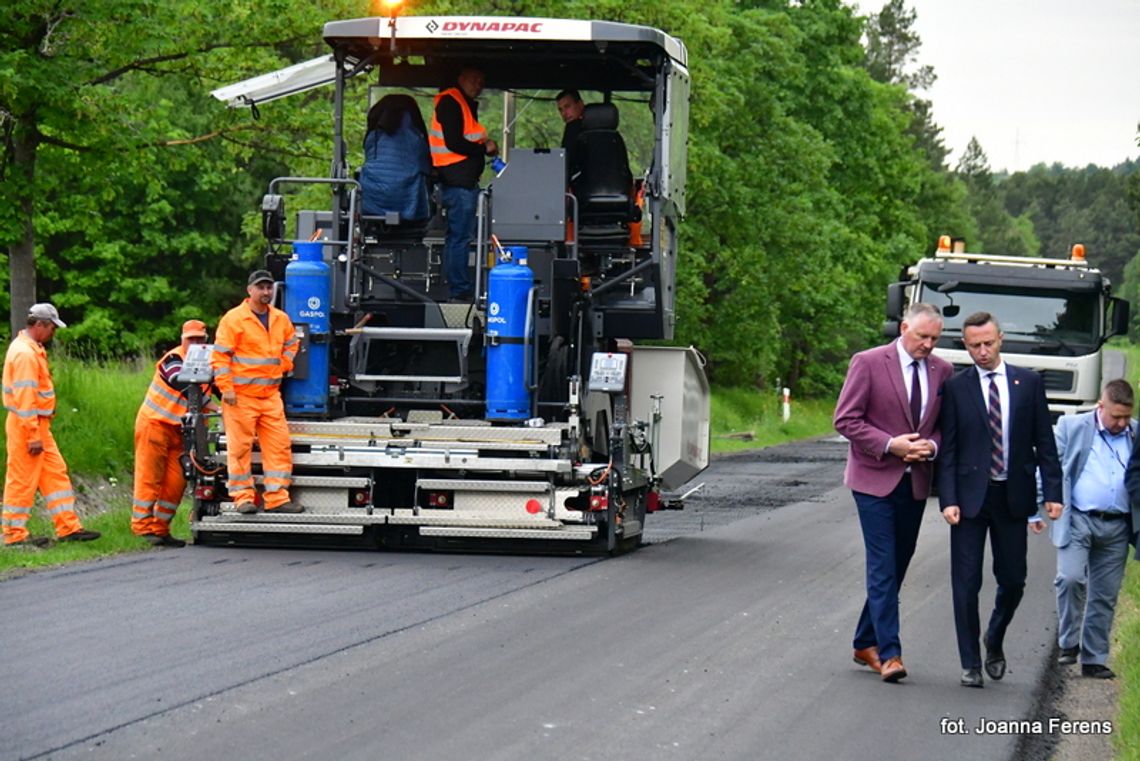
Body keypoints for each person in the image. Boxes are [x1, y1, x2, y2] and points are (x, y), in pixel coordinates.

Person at [938, 311, 1062, 688]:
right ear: (966, 344)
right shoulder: (957, 387)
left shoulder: (1028, 383)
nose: (982, 351)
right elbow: (950, 449)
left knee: (1013, 579)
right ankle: (970, 662)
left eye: (988, 343)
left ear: (1001, 339)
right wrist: (948, 498)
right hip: (970, 499)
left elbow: (1045, 442)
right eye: (974, 345)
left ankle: (995, 636)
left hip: (1013, 496)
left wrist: (1053, 493)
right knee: (966, 581)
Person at [834, 303, 953, 683]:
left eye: (935, 338)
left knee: (899, 564)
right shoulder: (868, 362)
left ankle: (864, 641)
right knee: (883, 564)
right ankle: (890, 654)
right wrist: (890, 445)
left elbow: (944, 428)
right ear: (904, 328)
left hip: (915, 481)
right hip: (873, 479)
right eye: (922, 337)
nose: (928, 345)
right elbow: (846, 419)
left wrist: (929, 449)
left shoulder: (943, 371)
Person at [1053, 379, 1135, 678]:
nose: (1121, 423)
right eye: (1116, 416)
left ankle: (1094, 659)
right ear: (1101, 406)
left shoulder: (1135, 433)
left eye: (1126, 416)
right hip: (1078, 518)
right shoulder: (1071, 426)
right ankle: (1068, 642)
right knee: (1070, 578)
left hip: (1118, 526)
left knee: (1105, 595)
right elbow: (1049, 464)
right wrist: (1043, 502)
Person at [3, 303, 100, 547]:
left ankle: (68, 528)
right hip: (28, 427)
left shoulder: (31, 348)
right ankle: (14, 535)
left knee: (55, 474)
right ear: (40, 325)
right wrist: (33, 434)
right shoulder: (25, 354)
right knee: (22, 480)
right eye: (52, 328)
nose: (53, 334)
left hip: (36, 425)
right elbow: (25, 399)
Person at [211, 271, 302, 514]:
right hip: (241, 397)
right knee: (240, 449)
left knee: (279, 447)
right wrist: (226, 388)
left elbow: (293, 343)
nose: (266, 292)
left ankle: (277, 499)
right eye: (260, 287)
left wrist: (285, 364)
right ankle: (242, 498)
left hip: (270, 396)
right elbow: (220, 357)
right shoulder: (234, 319)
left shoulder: (280, 319)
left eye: (269, 287)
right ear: (249, 290)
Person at [131, 319, 214, 547]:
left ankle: (160, 529)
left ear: (206, 341)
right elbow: (182, 383)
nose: (195, 343)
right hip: (154, 425)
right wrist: (215, 406)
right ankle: (141, 528)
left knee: (175, 484)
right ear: (182, 340)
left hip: (181, 432)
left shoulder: (210, 361)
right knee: (149, 479)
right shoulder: (172, 359)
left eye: (200, 339)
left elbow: (220, 386)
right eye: (191, 339)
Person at [429, 66, 498, 301]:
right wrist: (483, 148)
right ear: (461, 78)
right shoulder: (451, 101)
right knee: (460, 237)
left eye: (481, 81)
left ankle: (458, 287)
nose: (477, 85)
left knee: (458, 236)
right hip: (457, 182)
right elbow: (455, 142)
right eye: (473, 79)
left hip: (463, 181)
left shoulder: (462, 103)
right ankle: (459, 290)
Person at [360, 93, 432, 222]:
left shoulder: (373, 136)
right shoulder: (415, 138)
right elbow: (425, 163)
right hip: (408, 202)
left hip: (371, 202)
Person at [556, 88, 586, 172]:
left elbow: (566, 162)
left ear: (580, 104)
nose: (564, 113)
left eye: (567, 106)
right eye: (560, 110)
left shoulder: (573, 128)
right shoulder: (614, 136)